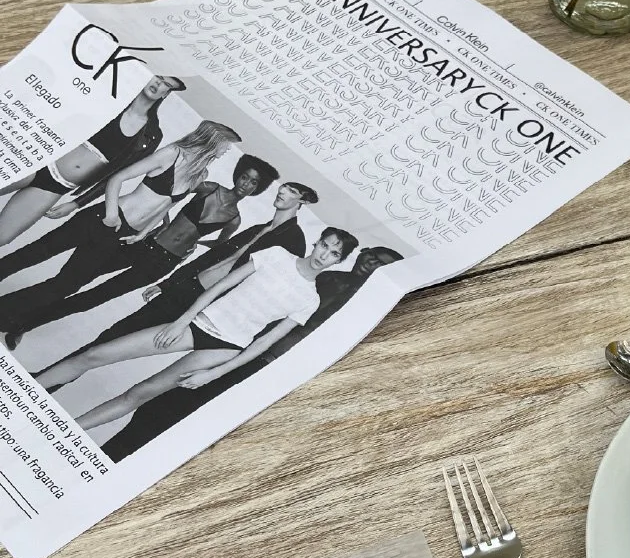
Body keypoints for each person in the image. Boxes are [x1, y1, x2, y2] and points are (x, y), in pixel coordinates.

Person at [99, 243, 403, 461]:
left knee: (200, 420)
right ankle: (112, 455)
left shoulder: (372, 307)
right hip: (243, 350)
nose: (373, 264)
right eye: (373, 256)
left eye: (383, 265)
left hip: (279, 370)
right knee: (170, 400)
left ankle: (127, 462)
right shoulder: (320, 275)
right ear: (361, 253)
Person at [39, 229, 360, 431]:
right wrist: (182, 321)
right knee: (95, 354)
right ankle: (31, 390)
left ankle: (68, 433)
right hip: (196, 323)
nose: (324, 255)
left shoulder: (310, 299)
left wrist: (216, 373)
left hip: (224, 348)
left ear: (338, 261)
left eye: (334, 254)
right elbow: (220, 286)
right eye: (325, 246)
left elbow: (263, 344)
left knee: (138, 394)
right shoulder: (276, 256)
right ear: (317, 242)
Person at [0, 120, 240, 345]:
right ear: (213, 141)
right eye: (226, 146)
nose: (227, 151)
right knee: (35, 254)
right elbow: (118, 178)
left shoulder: (201, 175)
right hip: (103, 217)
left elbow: (167, 204)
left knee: (66, 285)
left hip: (123, 233)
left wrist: (142, 232)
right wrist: (111, 213)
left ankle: (5, 310)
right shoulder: (172, 153)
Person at [67, 180, 318, 353]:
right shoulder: (258, 228)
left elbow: (265, 288)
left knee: (129, 341)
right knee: (119, 329)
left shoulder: (293, 240)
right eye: (283, 187)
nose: (282, 191)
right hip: (187, 287)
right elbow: (211, 258)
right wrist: (168, 283)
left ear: (302, 201)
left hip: (206, 304)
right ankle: (58, 373)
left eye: (291, 190)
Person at [0, 75, 185, 247]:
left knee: (3, 236)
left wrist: (77, 203)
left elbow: (115, 177)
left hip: (56, 187)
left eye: (166, 84)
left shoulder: (152, 134)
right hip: (36, 162)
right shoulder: (108, 100)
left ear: (167, 94)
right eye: (158, 77)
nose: (158, 84)